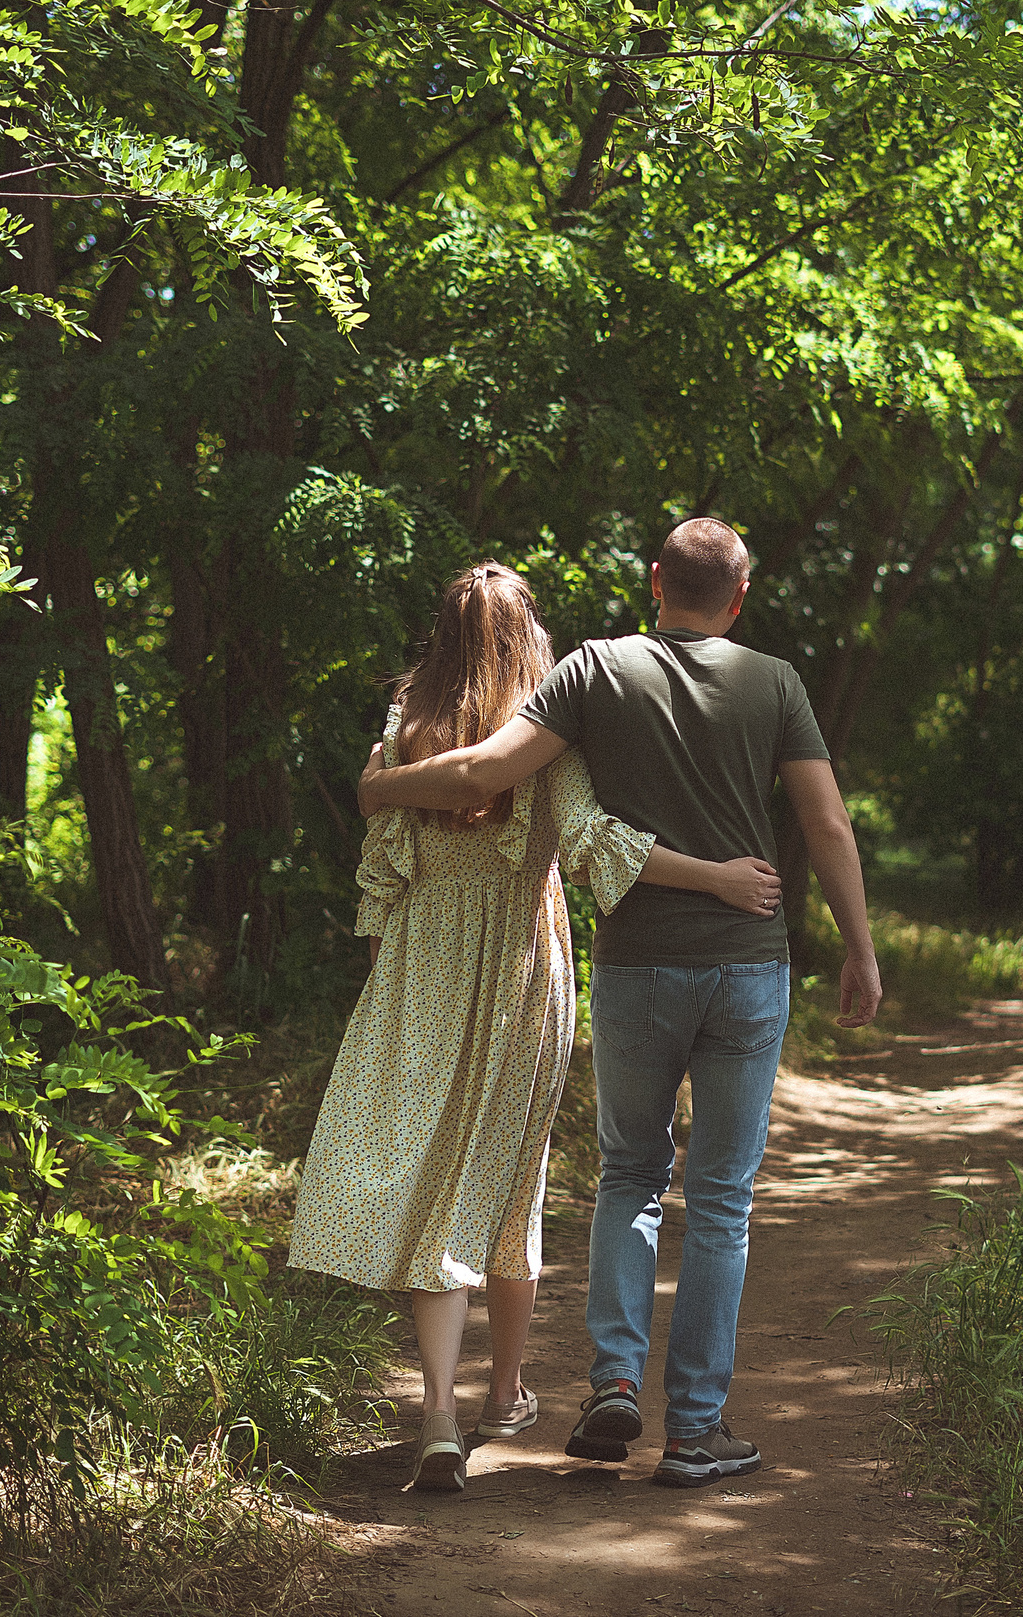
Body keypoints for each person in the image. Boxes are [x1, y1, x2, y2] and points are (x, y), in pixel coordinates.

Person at [360, 519, 882, 1490]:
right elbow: (826, 822)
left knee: (631, 1175)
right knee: (720, 1198)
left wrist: (382, 784)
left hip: (639, 965)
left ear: (654, 581)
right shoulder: (775, 681)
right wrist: (858, 945)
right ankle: (694, 1433)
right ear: (740, 597)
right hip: (747, 967)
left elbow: (485, 772)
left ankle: (612, 1383)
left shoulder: (595, 669)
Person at [286, 562, 785, 1494]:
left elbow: (381, 872)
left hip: (418, 966)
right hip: (522, 963)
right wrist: (717, 877)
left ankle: (440, 1412)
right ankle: (504, 1392)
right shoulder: (552, 729)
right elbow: (596, 844)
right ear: (529, 637)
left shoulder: (402, 731)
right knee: (511, 1176)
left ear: (442, 634)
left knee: (432, 1170)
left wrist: (389, 975)